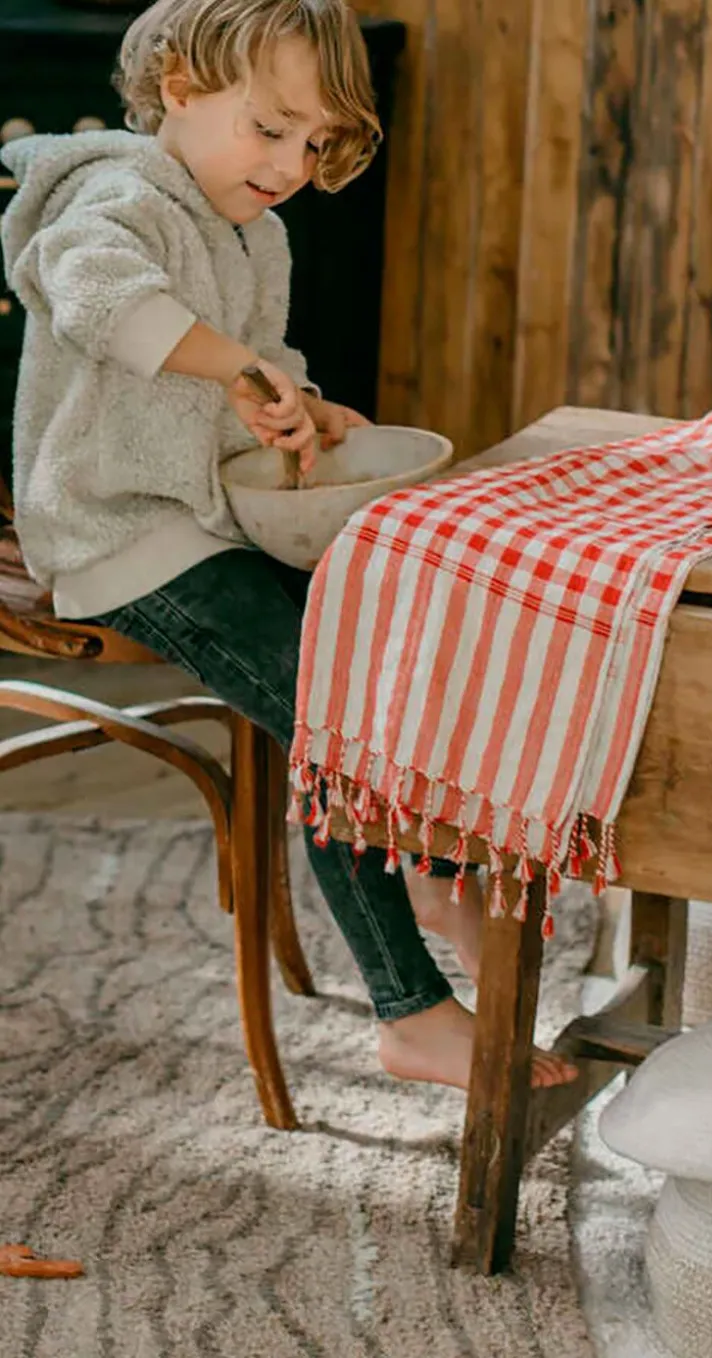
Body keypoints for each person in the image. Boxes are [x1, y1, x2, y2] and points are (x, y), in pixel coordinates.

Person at [0, 0, 576, 1092]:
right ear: (177, 88)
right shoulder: (111, 195)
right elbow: (100, 302)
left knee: (381, 655)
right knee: (334, 718)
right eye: (268, 128)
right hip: (117, 529)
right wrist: (238, 374)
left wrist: (303, 404)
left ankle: (439, 875)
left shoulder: (252, 232)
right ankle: (412, 1008)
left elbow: (256, 360)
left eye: (313, 142)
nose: (289, 164)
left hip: (206, 520)